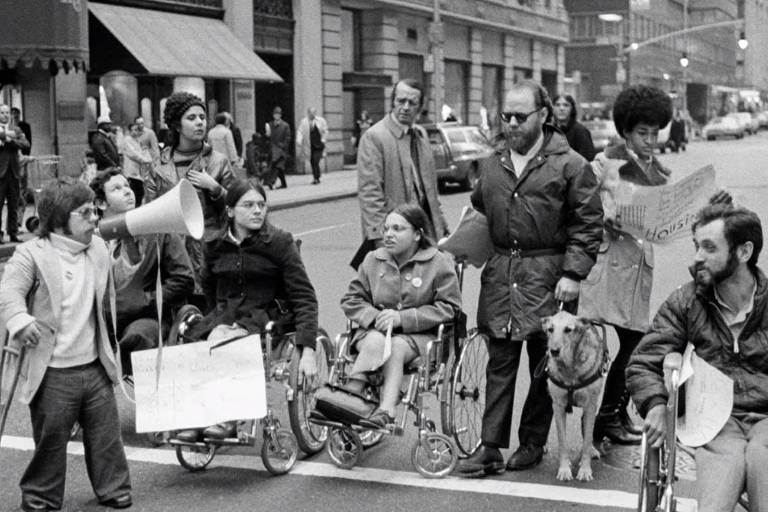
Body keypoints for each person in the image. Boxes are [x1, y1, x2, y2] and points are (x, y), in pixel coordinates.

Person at [456, 79, 603, 477]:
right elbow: (478, 211)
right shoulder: (492, 163)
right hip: (502, 275)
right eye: (506, 116)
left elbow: (588, 224)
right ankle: (489, 447)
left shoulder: (571, 164)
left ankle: (533, 442)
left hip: (548, 276)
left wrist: (574, 272)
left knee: (545, 363)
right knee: (499, 363)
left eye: (521, 117)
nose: (512, 124)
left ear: (543, 116)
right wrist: (460, 246)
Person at [0, 179, 132, 511]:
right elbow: (8, 291)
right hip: (53, 371)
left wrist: (132, 248)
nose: (94, 217)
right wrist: (20, 320)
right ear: (60, 219)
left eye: (94, 210)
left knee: (106, 438)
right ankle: (40, 497)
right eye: (85, 212)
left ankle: (113, 488)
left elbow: (121, 281)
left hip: (94, 364)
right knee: (51, 441)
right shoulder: (31, 253)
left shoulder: (98, 247)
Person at [627, 203, 768, 512]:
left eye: (709, 247)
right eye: (696, 246)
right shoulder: (688, 301)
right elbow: (644, 361)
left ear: (744, 252)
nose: (698, 257)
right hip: (714, 422)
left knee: (762, 461)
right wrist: (655, 403)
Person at [174, 179, 319, 442]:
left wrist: (307, 347)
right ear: (230, 211)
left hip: (266, 318)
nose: (257, 211)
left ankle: (226, 418)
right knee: (195, 341)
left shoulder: (279, 242)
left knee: (220, 341)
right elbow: (208, 284)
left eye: (261, 205)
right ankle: (196, 416)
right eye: (248, 205)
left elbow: (304, 295)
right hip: (228, 315)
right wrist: (217, 311)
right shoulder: (215, 245)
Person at [578, 84, 673, 446]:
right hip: (609, 265)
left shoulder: (656, 170)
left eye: (654, 133)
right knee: (635, 344)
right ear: (627, 132)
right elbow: (586, 207)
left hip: (637, 268)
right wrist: (611, 214)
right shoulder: (606, 163)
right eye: (642, 133)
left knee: (634, 343)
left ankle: (615, 414)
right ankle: (606, 417)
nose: (650, 140)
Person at [340, 204, 462, 428]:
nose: (388, 234)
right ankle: (351, 395)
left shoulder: (438, 262)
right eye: (386, 228)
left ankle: (385, 409)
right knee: (378, 339)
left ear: (417, 234)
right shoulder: (372, 260)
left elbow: (449, 308)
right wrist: (375, 316)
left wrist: (402, 318)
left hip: (420, 337)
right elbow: (351, 300)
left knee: (395, 345)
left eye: (397, 229)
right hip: (374, 332)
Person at [90, 169, 194, 375]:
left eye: (127, 186)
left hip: (147, 317)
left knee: (138, 337)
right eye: (117, 189)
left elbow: (184, 279)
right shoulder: (92, 240)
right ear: (101, 204)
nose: (128, 191)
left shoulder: (159, 229)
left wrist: (146, 300)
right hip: (103, 321)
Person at [144, 91, 235, 292]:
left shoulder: (218, 161)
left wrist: (215, 188)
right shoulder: (158, 166)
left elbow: (237, 207)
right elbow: (148, 213)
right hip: (171, 257)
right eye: (191, 118)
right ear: (177, 125)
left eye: (202, 117)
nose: (200, 123)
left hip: (209, 253)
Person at [357, 79, 449, 258]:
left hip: (423, 233)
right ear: (392, 102)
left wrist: (443, 230)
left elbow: (430, 193)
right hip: (394, 237)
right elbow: (370, 196)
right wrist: (381, 241)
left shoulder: (420, 135)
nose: (405, 107)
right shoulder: (374, 137)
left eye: (412, 103)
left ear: (420, 107)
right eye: (401, 101)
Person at [0, 103, 30, 244]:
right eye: (2, 113)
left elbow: (26, 144)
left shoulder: (16, 130)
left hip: (14, 172)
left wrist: (10, 141)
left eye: (7, 113)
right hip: (0, 172)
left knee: (13, 204)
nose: (5, 115)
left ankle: (13, 232)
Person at [551, 93, 596, 161]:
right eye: (557, 105)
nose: (561, 108)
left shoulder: (581, 132)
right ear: (553, 108)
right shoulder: (548, 131)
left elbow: (587, 160)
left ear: (572, 109)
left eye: (566, 105)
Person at [121, 122, 153, 206]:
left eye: (137, 130)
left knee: (140, 193)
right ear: (129, 131)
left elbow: (142, 152)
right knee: (136, 193)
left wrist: (148, 158)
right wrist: (145, 160)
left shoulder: (137, 141)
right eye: (133, 130)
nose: (135, 132)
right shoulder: (127, 140)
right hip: (131, 172)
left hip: (138, 172)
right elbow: (133, 153)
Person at [296, 107, 328, 184]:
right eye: (311, 113)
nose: (312, 114)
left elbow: (325, 131)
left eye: (314, 113)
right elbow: (300, 131)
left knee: (316, 160)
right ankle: (316, 177)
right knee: (312, 161)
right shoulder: (304, 122)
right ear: (308, 113)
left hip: (319, 145)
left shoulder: (321, 121)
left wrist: (323, 140)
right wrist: (299, 140)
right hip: (310, 145)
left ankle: (317, 176)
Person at [265, 106, 291, 189]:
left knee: (278, 166)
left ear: (280, 115)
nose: (276, 116)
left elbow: (288, 138)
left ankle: (271, 182)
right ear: (273, 115)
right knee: (279, 168)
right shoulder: (270, 124)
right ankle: (284, 184)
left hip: (281, 150)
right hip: (273, 150)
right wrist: (267, 135)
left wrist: (283, 146)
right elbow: (268, 137)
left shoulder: (285, 125)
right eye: (275, 114)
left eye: (278, 114)